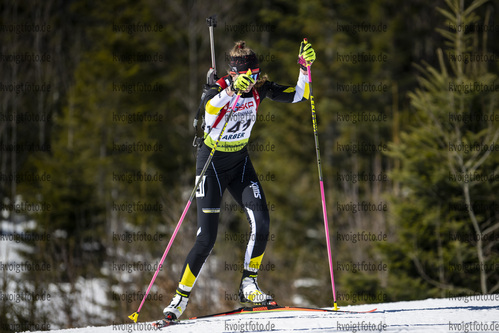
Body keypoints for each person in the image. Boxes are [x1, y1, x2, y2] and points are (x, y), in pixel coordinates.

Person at [163, 40, 316, 321]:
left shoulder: (259, 89)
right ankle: (179, 300)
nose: (253, 81)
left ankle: (249, 284)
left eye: (255, 75)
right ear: (233, 74)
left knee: (263, 221)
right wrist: (231, 90)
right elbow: (209, 111)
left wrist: (304, 69)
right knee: (206, 238)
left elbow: (298, 95)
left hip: (240, 164)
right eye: (247, 77)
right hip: (211, 166)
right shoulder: (217, 88)